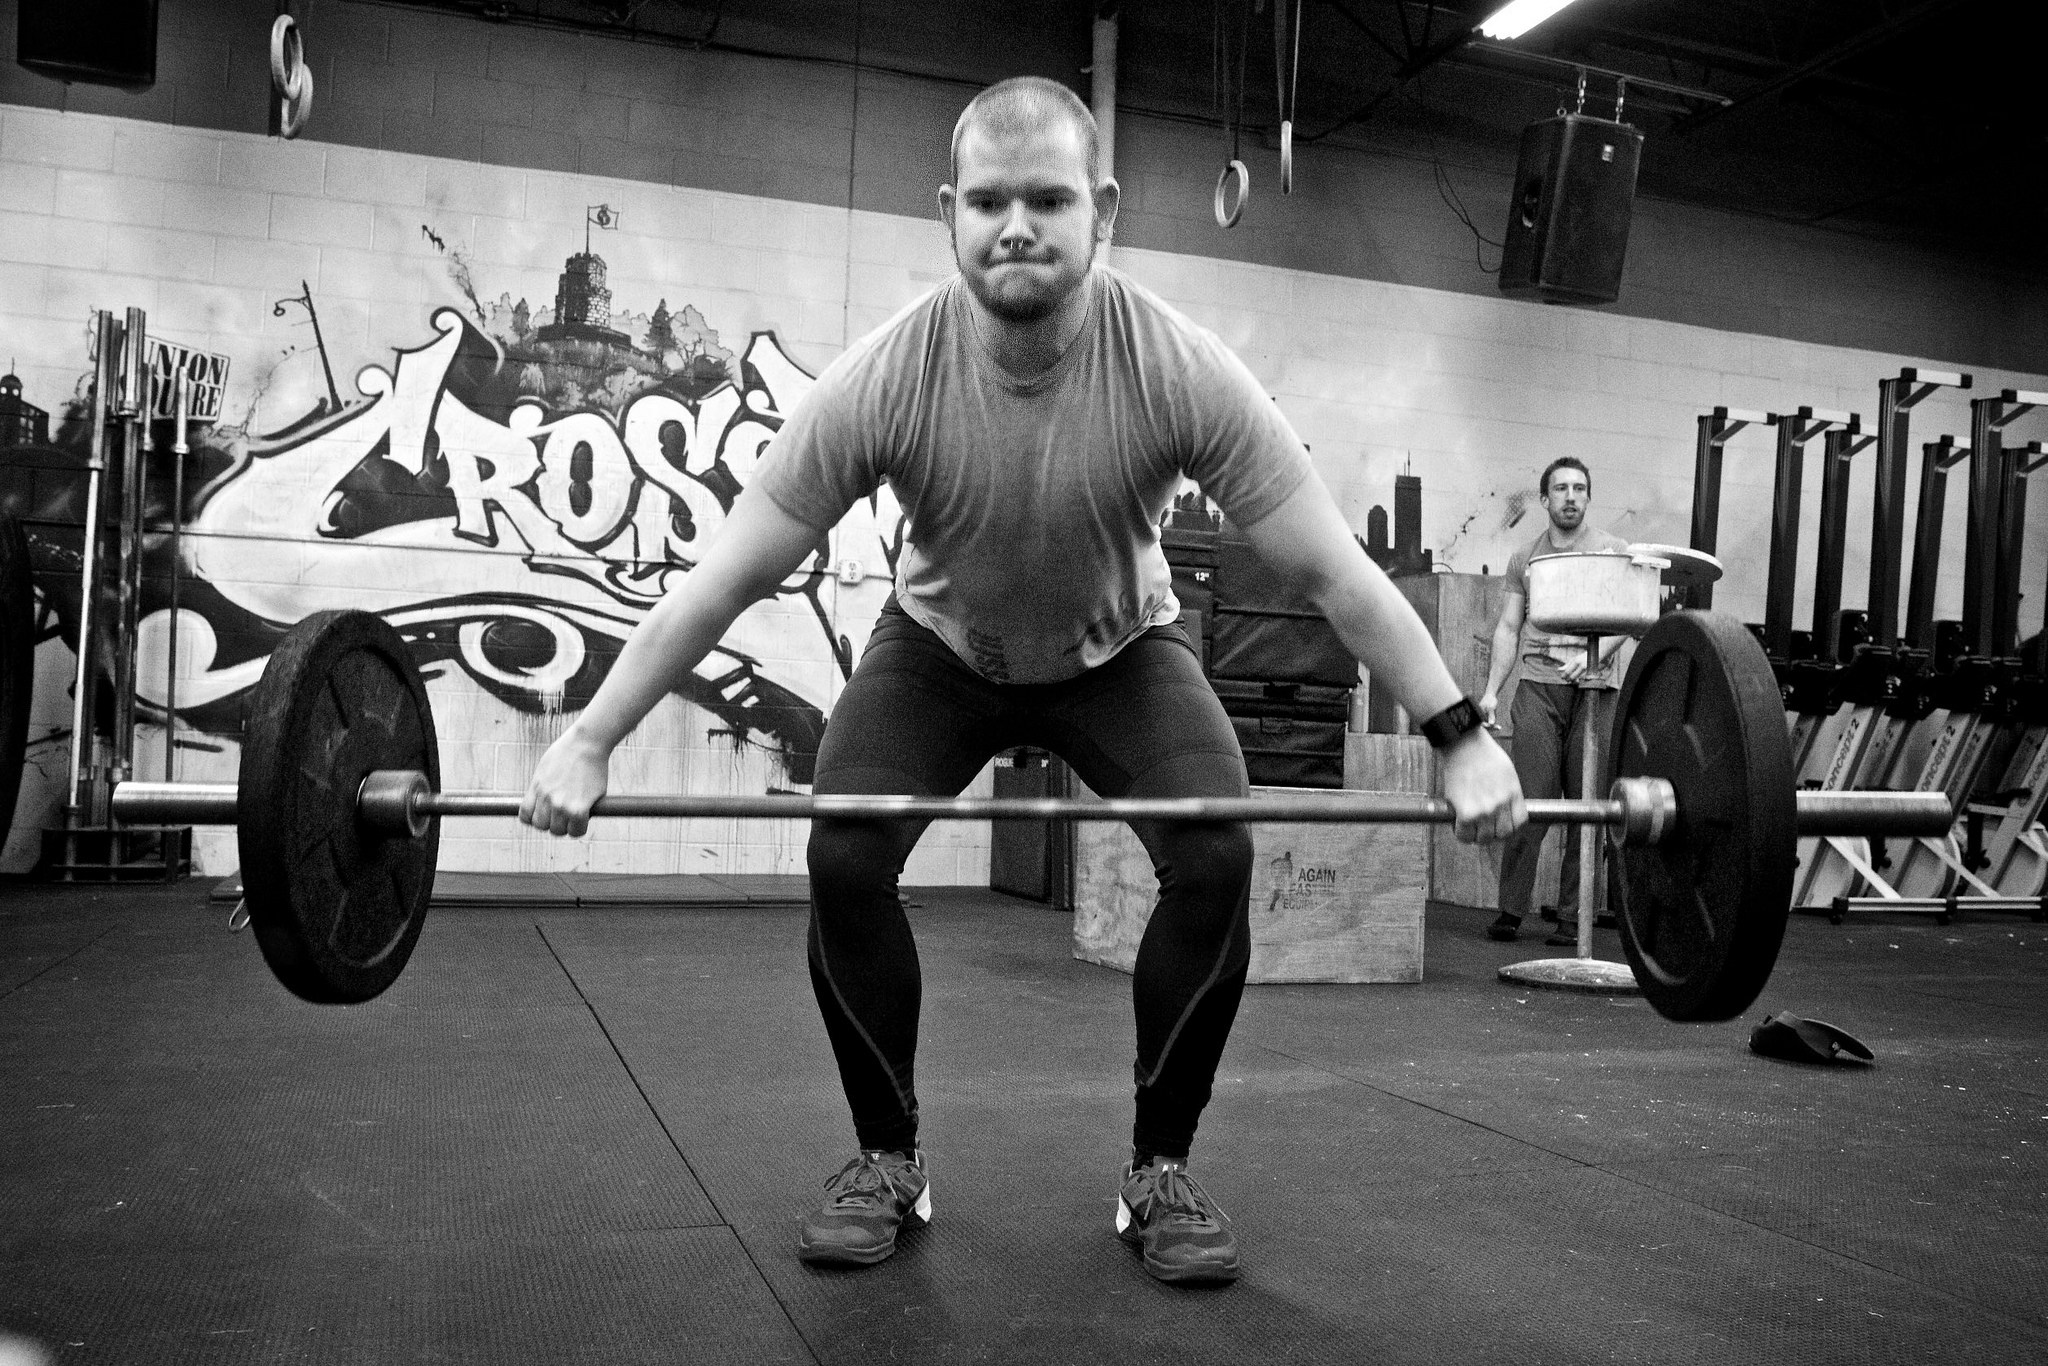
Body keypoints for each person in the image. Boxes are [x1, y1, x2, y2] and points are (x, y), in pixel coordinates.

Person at [519, 76, 1524, 1285]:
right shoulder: (885, 377)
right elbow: (722, 579)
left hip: (1119, 654)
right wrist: (592, 737)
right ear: (947, 211)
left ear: (1102, 210)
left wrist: (1458, 732)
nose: (1016, 227)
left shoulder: (1177, 368)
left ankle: (1158, 1168)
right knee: (845, 847)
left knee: (1214, 850)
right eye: (989, 201)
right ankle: (886, 1157)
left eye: (1048, 200)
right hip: (938, 651)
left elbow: (1332, 572)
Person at [1476, 457, 1632, 946]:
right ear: (1544, 499)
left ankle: (1572, 917)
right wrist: (1490, 691)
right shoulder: (1525, 558)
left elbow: (1631, 616)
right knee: (1530, 801)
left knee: (1587, 807)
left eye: (1579, 488)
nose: (1571, 497)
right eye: (1561, 488)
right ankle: (1510, 909)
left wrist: (1594, 656)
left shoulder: (1612, 550)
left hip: (1595, 690)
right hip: (1540, 685)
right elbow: (1509, 627)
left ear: (1589, 497)